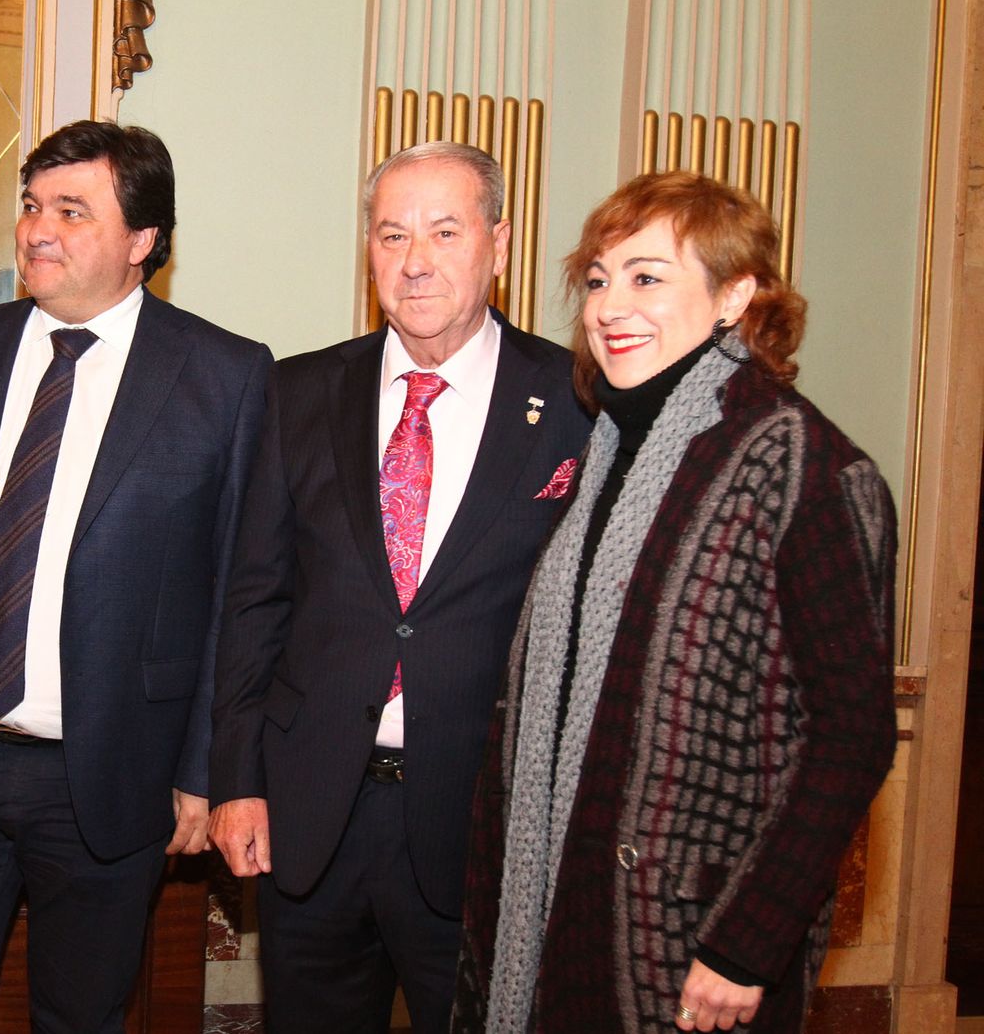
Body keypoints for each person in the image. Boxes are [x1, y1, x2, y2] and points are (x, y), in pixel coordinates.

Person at [0, 119, 272, 1033]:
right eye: (32, 206)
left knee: (82, 1015)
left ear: (142, 240)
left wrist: (205, 768)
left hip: (109, 777)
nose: (38, 230)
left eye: (72, 210)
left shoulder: (225, 376)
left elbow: (239, 592)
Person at [452, 171, 897, 1033]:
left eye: (648, 276)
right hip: (561, 916)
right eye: (597, 278)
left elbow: (852, 733)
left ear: (735, 295)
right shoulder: (611, 451)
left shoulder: (803, 465)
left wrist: (748, 941)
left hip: (692, 943)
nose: (610, 304)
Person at [208, 141, 592, 1033]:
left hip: (481, 824)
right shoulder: (297, 391)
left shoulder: (574, 401)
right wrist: (236, 780)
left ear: (499, 241)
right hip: (311, 815)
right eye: (392, 234)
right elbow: (252, 600)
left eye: (444, 231)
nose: (415, 260)